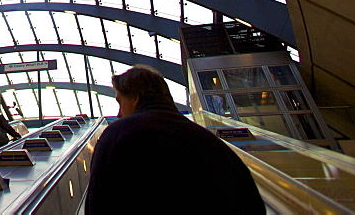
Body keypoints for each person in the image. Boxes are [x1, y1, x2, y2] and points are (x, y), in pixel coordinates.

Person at [85, 65, 264, 214]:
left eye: (120, 102)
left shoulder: (117, 135)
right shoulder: (209, 140)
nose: (118, 113)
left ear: (136, 98)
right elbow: (250, 202)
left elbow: (98, 203)